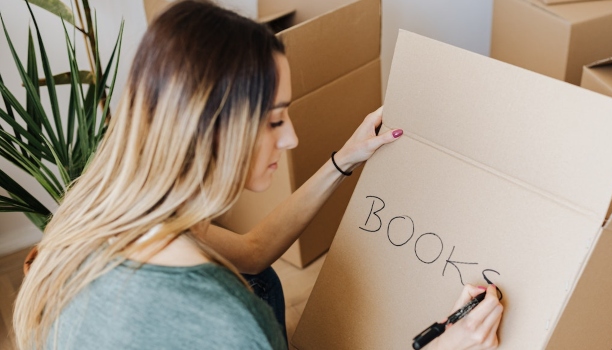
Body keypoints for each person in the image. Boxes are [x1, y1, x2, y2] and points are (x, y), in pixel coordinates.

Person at [13, 1, 503, 349]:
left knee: (259, 276)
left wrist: (344, 160)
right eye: (274, 120)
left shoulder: (101, 216)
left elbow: (251, 253)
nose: (290, 138)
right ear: (212, 131)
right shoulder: (228, 323)